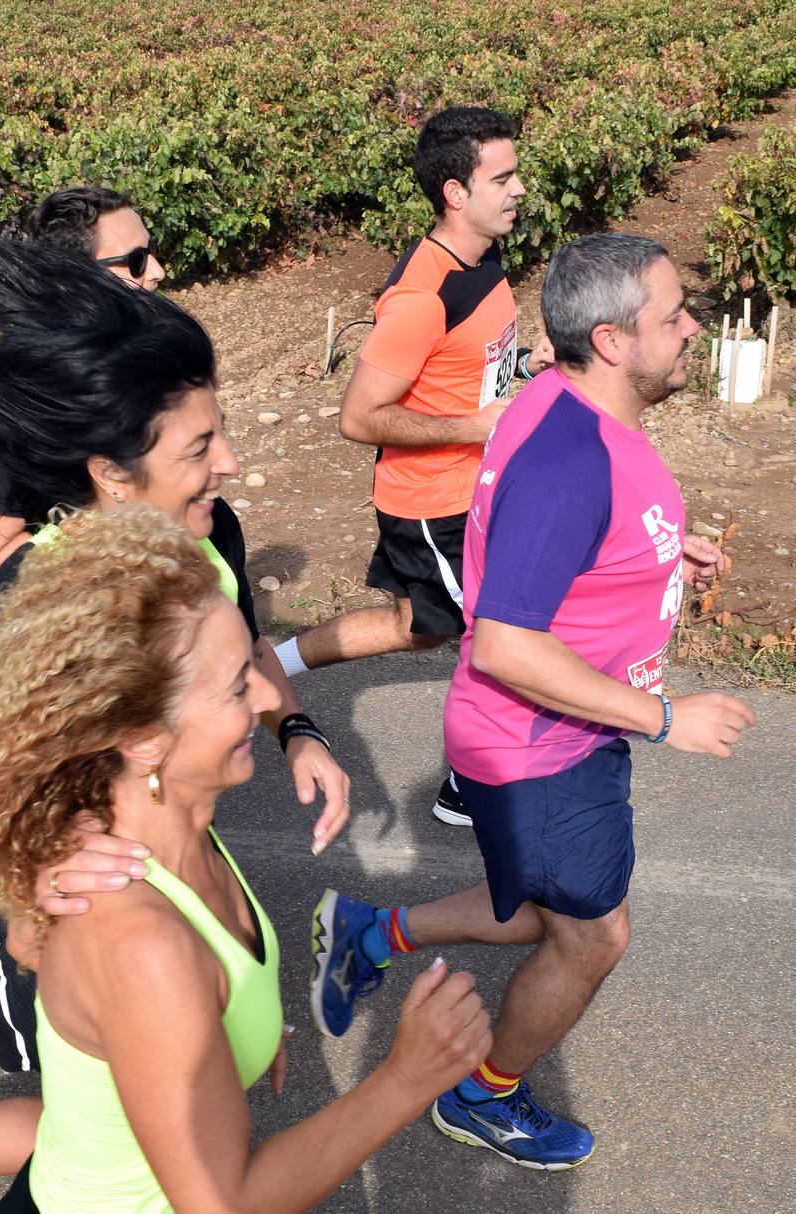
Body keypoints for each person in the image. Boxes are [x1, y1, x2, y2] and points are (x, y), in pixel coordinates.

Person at [0, 506, 492, 1213]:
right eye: (234, 685)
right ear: (144, 739)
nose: (262, 699)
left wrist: (234, 1034)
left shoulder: (175, 831)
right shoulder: (139, 935)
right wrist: (405, 1078)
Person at [309, 235, 757, 1169]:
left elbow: (552, 547)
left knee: (535, 902)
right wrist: (666, 718)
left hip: (550, 734)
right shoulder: (568, 457)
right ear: (610, 340)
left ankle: (368, 928)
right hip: (543, 745)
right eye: (671, 317)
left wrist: (654, 558)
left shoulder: (555, 399)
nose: (691, 329)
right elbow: (505, 641)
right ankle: (481, 1096)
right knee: (592, 937)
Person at [0, 237, 350, 1074]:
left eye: (220, 433)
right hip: (69, 947)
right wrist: (36, 870)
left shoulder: (201, 542)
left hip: (171, 913)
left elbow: (243, 645)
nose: (228, 462)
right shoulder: (59, 617)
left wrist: (298, 730)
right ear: (113, 477)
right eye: (197, 450)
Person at [273, 106, 550, 828]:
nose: (519, 188)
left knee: (420, 625)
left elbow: (465, 364)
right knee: (495, 633)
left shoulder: (483, 257)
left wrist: (522, 362)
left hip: (476, 482)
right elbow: (357, 418)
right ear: (454, 192)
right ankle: (469, 783)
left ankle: (269, 668)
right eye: (504, 175)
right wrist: (474, 426)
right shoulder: (419, 297)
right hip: (433, 501)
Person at [0, 185, 165, 634]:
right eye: (137, 261)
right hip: (16, 618)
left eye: (155, 251)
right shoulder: (28, 382)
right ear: (70, 280)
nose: (159, 271)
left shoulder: (110, 352)